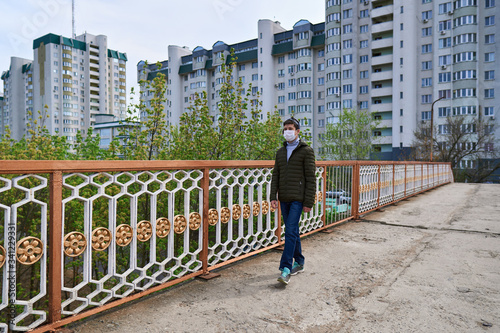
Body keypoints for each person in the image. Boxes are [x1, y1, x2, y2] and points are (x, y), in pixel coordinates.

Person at [270, 117, 316, 285]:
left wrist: (308, 202)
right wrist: (272, 196)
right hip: (284, 198)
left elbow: (311, 178)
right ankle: (300, 261)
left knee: (289, 231)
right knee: (293, 230)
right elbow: (276, 175)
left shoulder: (306, 151)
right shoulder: (280, 152)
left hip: (298, 198)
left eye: (290, 128)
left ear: (297, 131)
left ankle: (286, 269)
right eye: (285, 129)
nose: (287, 131)